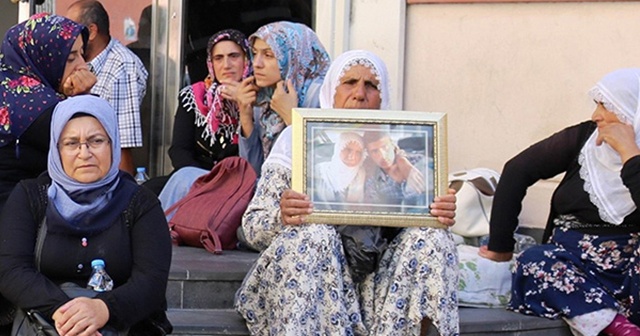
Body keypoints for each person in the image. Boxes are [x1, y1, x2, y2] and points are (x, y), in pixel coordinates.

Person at [235, 50, 459, 335]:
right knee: (316, 235)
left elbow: (417, 220)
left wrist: (436, 210)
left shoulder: (393, 151)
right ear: (332, 90)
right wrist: (283, 215)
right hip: (307, 282)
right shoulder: (297, 140)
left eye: (371, 86)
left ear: (383, 96)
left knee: (434, 239)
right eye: (350, 82)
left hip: (380, 296)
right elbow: (253, 227)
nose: (359, 94)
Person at [479, 68, 640, 336]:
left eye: (606, 105)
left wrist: (630, 154)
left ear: (631, 110)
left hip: (629, 273)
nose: (596, 115)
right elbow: (517, 170)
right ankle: (618, 328)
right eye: (596, 104)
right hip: (570, 265)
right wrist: (500, 246)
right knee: (534, 261)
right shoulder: (583, 139)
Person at [0, 95, 172, 335]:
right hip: (45, 323)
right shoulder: (30, 197)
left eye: (96, 140)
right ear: (56, 150)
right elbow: (11, 270)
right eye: (71, 143)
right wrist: (68, 316)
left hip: (124, 324)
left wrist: (103, 310)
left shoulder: (140, 203)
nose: (84, 152)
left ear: (113, 145)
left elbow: (151, 281)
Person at [0, 13, 97, 212]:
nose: (82, 66)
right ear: (43, 58)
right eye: (71, 58)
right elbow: (93, 142)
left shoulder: (9, 89)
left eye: (82, 54)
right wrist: (83, 97)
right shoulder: (33, 106)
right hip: (19, 220)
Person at [155, 29, 252, 209]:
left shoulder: (259, 99)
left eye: (234, 56)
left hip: (240, 184)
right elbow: (179, 150)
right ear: (210, 63)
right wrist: (204, 182)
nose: (226, 65)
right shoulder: (194, 96)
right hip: (197, 179)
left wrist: (244, 106)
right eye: (218, 58)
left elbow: (255, 156)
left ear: (246, 59)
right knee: (148, 192)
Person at [236, 21, 330, 176]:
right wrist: (245, 116)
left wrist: (291, 117)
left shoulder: (321, 97)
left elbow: (323, 167)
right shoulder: (265, 97)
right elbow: (253, 173)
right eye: (255, 53)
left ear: (294, 57)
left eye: (268, 55)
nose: (257, 64)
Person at [66, 0, 149, 175]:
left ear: (92, 31)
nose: (67, 37)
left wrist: (121, 198)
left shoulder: (122, 66)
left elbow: (122, 143)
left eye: (72, 30)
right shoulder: (80, 61)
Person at [362, 130, 428, 208]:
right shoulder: (373, 181)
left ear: (393, 145)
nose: (382, 155)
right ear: (369, 155)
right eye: (375, 151)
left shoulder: (418, 161)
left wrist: (401, 160)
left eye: (385, 147)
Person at [313, 131, 366, 208]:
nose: (352, 156)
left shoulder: (360, 174)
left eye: (358, 152)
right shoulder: (319, 170)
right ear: (338, 148)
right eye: (348, 149)